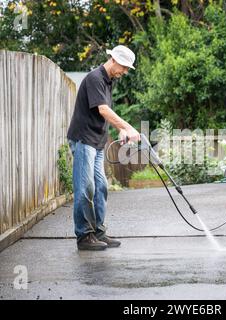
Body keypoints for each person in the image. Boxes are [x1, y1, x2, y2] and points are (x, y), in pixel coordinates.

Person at [67, 45, 140, 251]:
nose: (125, 71)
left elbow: (105, 112)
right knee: (85, 188)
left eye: (127, 68)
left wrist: (120, 131)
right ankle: (84, 236)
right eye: (124, 67)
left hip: (97, 142)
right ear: (113, 59)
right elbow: (103, 109)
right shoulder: (94, 78)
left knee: (101, 187)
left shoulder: (108, 81)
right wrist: (127, 126)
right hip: (83, 140)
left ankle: (98, 231)